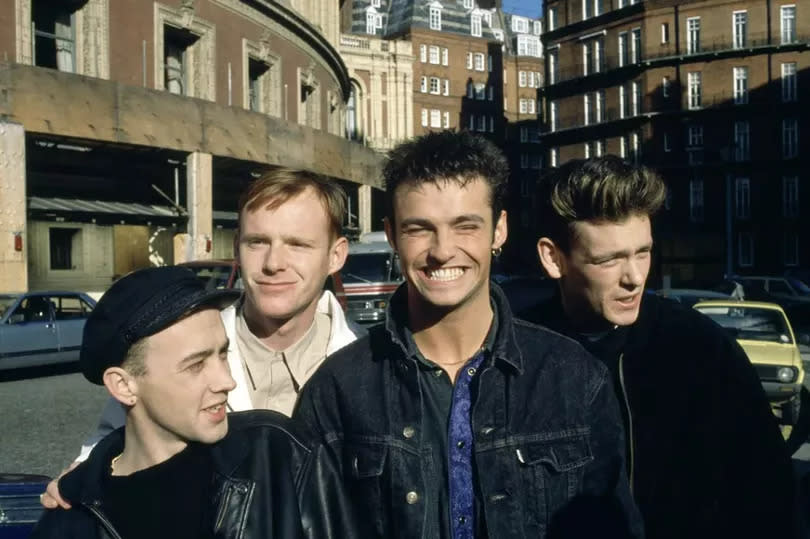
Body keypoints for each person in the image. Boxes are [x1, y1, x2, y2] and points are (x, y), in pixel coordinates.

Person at [293, 131, 643, 538]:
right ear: (391, 235)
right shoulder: (338, 390)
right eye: (420, 229)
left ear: (499, 231)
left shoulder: (573, 377)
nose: (443, 250)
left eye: (465, 227)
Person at [42, 168, 363, 509]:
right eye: (258, 242)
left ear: (336, 255)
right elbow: (120, 442)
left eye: (297, 244)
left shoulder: (378, 367)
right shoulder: (171, 345)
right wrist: (83, 478)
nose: (273, 263)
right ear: (238, 247)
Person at [522, 155, 796, 539]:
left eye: (643, 252)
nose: (634, 277)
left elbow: (769, 495)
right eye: (609, 260)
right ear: (554, 258)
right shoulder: (520, 354)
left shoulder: (700, 348)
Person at [31, 266, 361, 539]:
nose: (226, 381)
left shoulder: (278, 454)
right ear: (123, 385)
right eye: (195, 365)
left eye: (223, 354)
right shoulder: (69, 519)